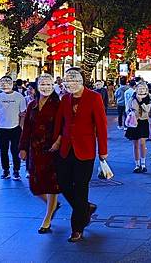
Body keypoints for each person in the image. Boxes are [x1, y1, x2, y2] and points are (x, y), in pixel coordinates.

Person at [51, 67, 108, 243]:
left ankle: (77, 228)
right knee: (63, 183)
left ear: (82, 80)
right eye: (68, 80)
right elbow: (60, 122)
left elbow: (101, 125)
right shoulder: (65, 98)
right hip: (66, 148)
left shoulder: (94, 97)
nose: (72, 83)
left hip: (85, 149)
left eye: (75, 80)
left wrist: (103, 152)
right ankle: (85, 208)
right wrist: (56, 141)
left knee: (81, 187)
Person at [19, 74, 62, 233]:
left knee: (51, 185)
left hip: (52, 149)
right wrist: (22, 148)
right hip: (34, 149)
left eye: (48, 84)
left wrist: (58, 142)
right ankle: (53, 205)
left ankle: (48, 217)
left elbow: (64, 126)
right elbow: (27, 128)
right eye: (42, 84)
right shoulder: (32, 105)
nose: (45, 87)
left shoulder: (58, 105)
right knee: (34, 185)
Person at [0, 76, 27, 181]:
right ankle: (5, 171)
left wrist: (20, 126)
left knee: (15, 150)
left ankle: (16, 171)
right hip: (2, 129)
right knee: (3, 151)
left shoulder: (19, 97)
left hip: (15, 128)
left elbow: (22, 114)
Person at [125, 82, 151, 173]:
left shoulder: (149, 98)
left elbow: (148, 109)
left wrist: (141, 101)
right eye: (139, 88)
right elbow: (127, 108)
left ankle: (143, 164)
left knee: (142, 143)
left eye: (143, 88)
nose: (141, 90)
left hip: (143, 122)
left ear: (146, 89)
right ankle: (137, 165)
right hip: (134, 122)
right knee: (135, 144)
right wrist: (130, 112)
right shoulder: (132, 98)